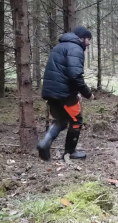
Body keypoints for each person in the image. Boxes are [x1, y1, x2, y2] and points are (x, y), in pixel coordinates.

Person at [37, 26, 94, 161]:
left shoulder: (59, 47)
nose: (89, 43)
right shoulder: (76, 49)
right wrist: (87, 94)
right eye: (88, 39)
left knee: (62, 120)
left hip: (51, 91)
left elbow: (62, 73)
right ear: (81, 38)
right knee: (76, 120)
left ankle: (45, 143)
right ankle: (70, 152)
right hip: (64, 94)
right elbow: (75, 75)